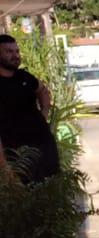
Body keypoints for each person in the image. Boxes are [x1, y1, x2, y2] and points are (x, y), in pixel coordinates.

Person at [0, 33, 59, 183]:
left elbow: (43, 91)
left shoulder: (24, 77)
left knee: (51, 190)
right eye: (9, 51)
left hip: (43, 146)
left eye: (17, 51)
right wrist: (5, 168)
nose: (15, 56)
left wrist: (44, 114)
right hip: (16, 154)